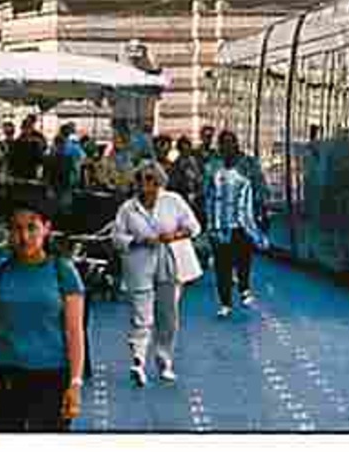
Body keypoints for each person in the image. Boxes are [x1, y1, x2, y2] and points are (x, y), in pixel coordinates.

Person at [0, 187, 86, 431]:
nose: (24, 236)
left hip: (51, 377)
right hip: (4, 377)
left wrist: (75, 383)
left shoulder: (63, 272)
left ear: (46, 229)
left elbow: (74, 332)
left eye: (32, 228)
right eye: (16, 228)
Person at [112, 162, 201, 386]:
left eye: (150, 179)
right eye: (141, 179)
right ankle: (138, 361)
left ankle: (164, 361)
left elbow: (194, 227)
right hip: (139, 262)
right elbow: (116, 238)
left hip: (169, 261)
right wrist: (138, 240)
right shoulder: (127, 208)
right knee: (141, 315)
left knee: (167, 315)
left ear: (159, 181)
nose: (145, 184)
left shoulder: (173, 201)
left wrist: (175, 235)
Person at [205, 142, 269, 317]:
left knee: (237, 261)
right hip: (227, 227)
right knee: (225, 264)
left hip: (234, 227)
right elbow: (208, 200)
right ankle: (228, 299)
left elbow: (247, 205)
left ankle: (238, 291)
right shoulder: (213, 174)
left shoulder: (243, 176)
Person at [168, 135, 205, 217]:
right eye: (183, 150)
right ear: (179, 150)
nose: (186, 152)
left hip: (196, 196)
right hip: (182, 197)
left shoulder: (195, 162)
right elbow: (173, 183)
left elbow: (200, 178)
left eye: (188, 149)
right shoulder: (176, 165)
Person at [4, 116, 48, 183]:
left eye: (28, 128)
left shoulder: (37, 140)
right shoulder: (18, 142)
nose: (26, 130)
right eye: (25, 128)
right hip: (19, 174)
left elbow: (41, 157)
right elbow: (11, 158)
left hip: (30, 173)